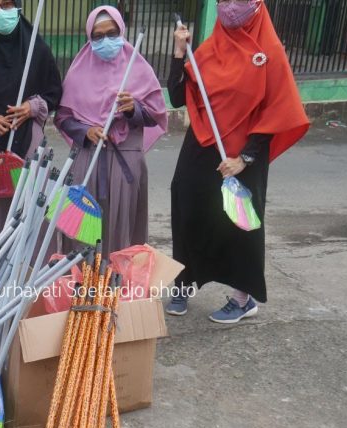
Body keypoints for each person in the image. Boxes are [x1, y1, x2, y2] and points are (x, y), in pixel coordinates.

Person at [166, 0, 309, 323]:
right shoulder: (210, 48)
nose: (230, 6)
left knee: (239, 223)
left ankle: (243, 298)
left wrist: (244, 158)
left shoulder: (269, 51)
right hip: (203, 144)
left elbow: (279, 109)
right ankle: (184, 284)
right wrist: (179, 51)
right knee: (188, 205)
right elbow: (177, 97)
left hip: (244, 153)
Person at [54, 6, 167, 257]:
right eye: (98, 35)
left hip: (125, 162)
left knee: (121, 227)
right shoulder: (77, 71)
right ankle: (84, 287)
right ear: (89, 37)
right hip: (87, 160)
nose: (105, 40)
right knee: (82, 230)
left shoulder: (139, 70)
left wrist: (132, 109)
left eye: (112, 33)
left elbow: (156, 115)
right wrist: (85, 130)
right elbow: (62, 117)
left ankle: (116, 287)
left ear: (122, 32)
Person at [0, 0, 62, 265]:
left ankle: (29, 280)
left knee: (29, 212)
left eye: (6, 4)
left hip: (28, 146)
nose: (0, 12)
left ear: (18, 7)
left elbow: (54, 92)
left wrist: (31, 107)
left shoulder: (36, 49)